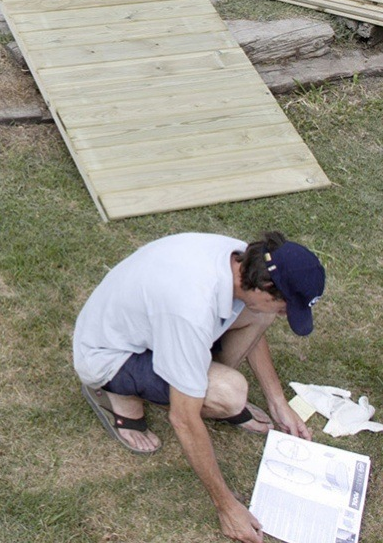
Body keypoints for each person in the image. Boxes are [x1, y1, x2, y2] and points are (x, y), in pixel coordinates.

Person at [73, 231, 325, 543]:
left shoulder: (243, 260)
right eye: (286, 306)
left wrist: (278, 402)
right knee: (229, 394)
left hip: (150, 324)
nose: (287, 314)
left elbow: (259, 311)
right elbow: (183, 419)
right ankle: (116, 394)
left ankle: (193, 374)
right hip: (109, 354)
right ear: (267, 286)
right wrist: (227, 507)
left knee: (260, 314)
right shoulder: (191, 306)